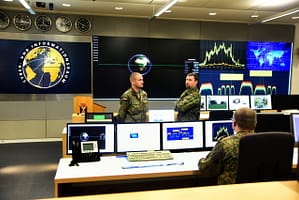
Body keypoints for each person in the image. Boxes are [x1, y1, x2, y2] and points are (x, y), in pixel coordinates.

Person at [197, 107, 257, 185]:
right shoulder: (265, 142)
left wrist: (201, 160)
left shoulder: (225, 143)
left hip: (229, 192)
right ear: (255, 123)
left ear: (234, 123)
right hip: (257, 191)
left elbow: (206, 169)